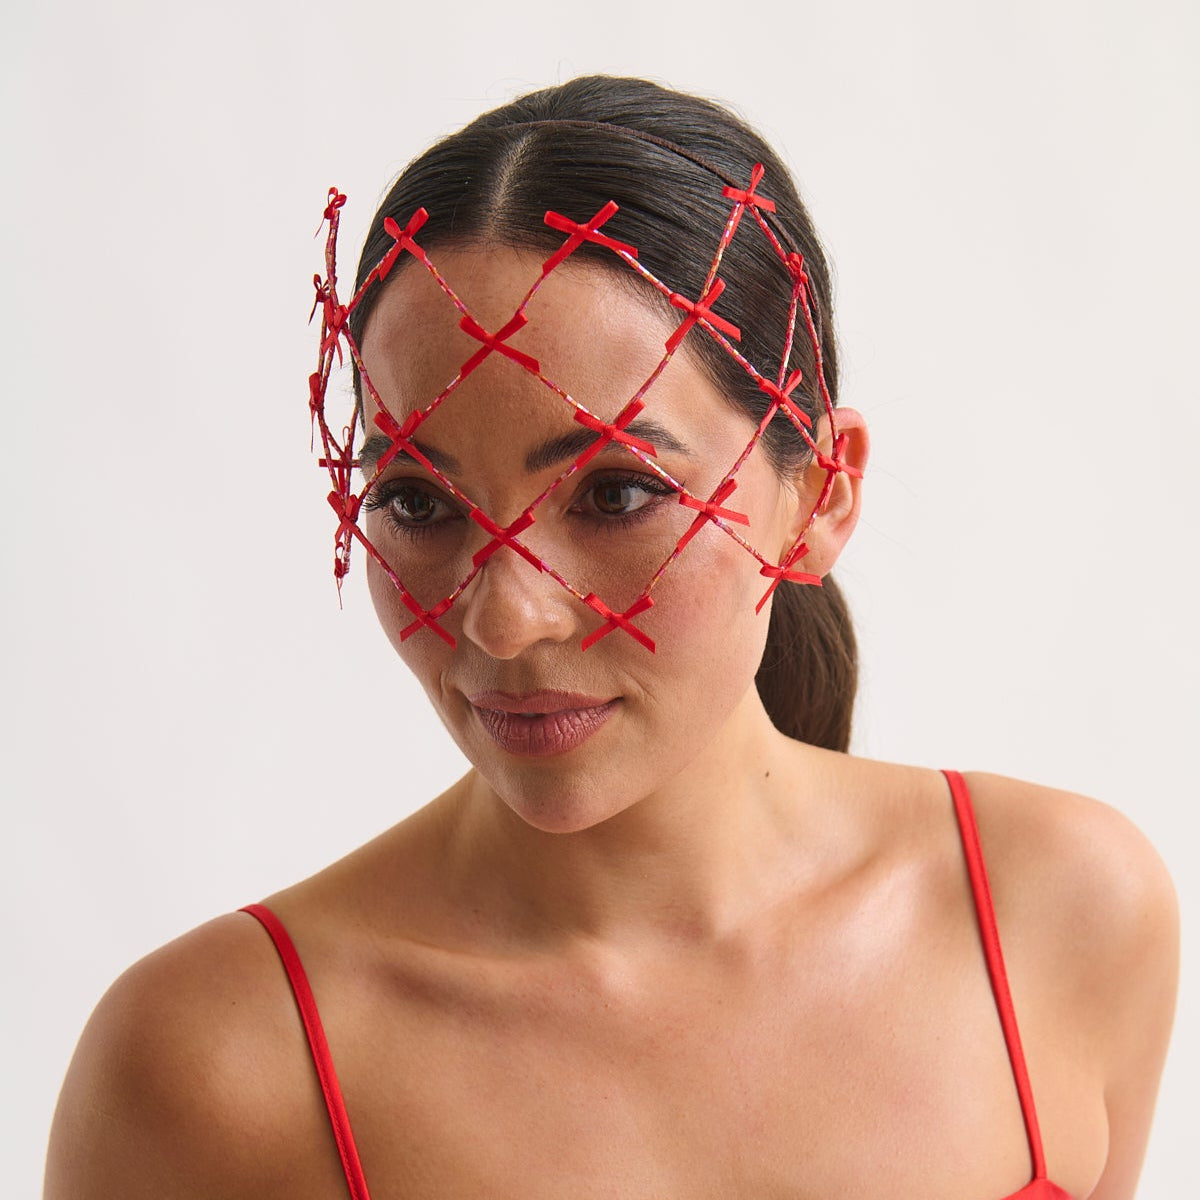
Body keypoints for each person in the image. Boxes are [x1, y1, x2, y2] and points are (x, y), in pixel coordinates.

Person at [44, 75, 1177, 1200]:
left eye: (619, 495)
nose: (503, 616)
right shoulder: (216, 1068)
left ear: (823, 495)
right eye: (418, 504)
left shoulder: (1061, 914)